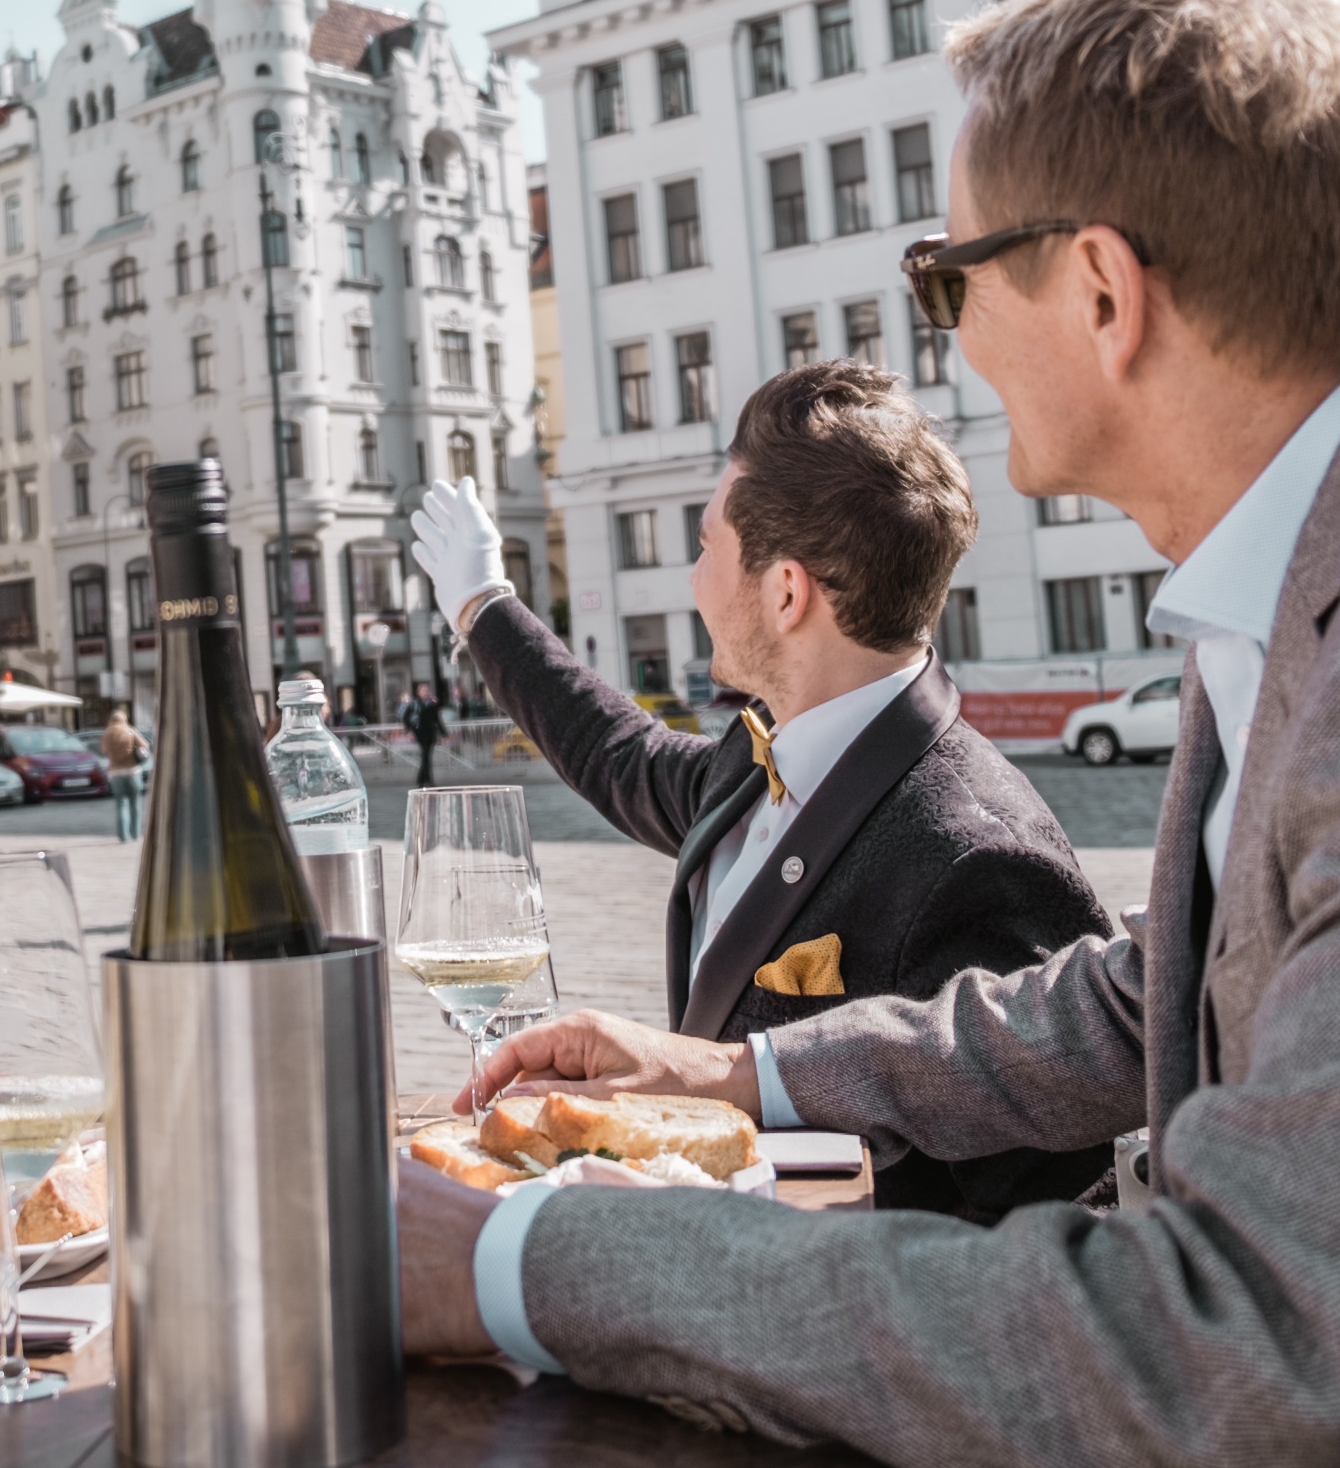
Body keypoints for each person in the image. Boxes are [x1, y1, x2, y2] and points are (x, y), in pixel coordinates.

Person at [397, 0, 1340, 1462]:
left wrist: (524, 1264)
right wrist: (742, 1069)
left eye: (952, 277)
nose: (955, 341)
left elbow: (1235, 1342)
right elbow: (1153, 994)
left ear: (1105, 291)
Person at [412, 362, 1112, 1221]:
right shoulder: (760, 757)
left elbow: (1049, 1220)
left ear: (786, 592)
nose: (693, 578)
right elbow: (616, 754)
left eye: (707, 546)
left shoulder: (976, 852)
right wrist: (484, 607)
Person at [101, 707, 147, 841]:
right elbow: (145, 745)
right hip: (133, 771)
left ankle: (123, 836)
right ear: (124, 719)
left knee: (121, 804)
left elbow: (104, 750)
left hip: (115, 773)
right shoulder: (131, 731)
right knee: (135, 803)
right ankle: (136, 833)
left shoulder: (107, 734)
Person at [402, 680, 447, 788]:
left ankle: (423, 780)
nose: (425, 692)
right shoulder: (414, 704)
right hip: (420, 733)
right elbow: (405, 718)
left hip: (430, 733)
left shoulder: (432, 704)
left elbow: (437, 719)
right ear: (419, 692)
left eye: (427, 690)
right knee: (426, 756)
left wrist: (444, 733)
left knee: (426, 756)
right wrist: (409, 731)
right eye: (423, 690)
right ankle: (426, 780)